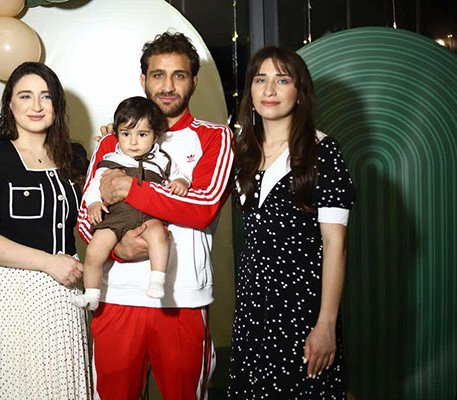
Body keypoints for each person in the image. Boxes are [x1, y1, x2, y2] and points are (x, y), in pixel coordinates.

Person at [76, 32, 234, 399]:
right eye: (158, 75)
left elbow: (201, 208)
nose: (167, 86)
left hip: (181, 299)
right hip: (116, 296)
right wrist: (118, 249)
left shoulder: (215, 137)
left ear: (194, 82)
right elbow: (86, 217)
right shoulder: (112, 141)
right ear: (143, 80)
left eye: (179, 75)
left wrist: (128, 188)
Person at [228, 47, 356, 398]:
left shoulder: (323, 151)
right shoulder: (240, 149)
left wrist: (326, 323)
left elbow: (335, 244)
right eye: (260, 80)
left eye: (282, 80)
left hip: (303, 309)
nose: (269, 90)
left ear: (300, 92)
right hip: (253, 307)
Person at [0, 62, 91, 399]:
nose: (36, 106)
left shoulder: (75, 157)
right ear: (10, 103)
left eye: (46, 96)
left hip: (64, 287)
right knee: (16, 385)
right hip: (10, 290)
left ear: (57, 104)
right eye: (25, 96)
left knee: (60, 384)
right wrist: (49, 263)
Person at [73, 96, 190, 309]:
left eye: (142, 134)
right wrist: (93, 203)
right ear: (117, 134)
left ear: (155, 136)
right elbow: (94, 186)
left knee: (159, 235)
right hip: (116, 217)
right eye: (126, 134)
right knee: (94, 250)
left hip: (148, 216)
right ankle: (91, 293)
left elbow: (178, 175)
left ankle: (157, 279)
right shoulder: (111, 159)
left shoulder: (161, 160)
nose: (133, 142)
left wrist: (181, 182)